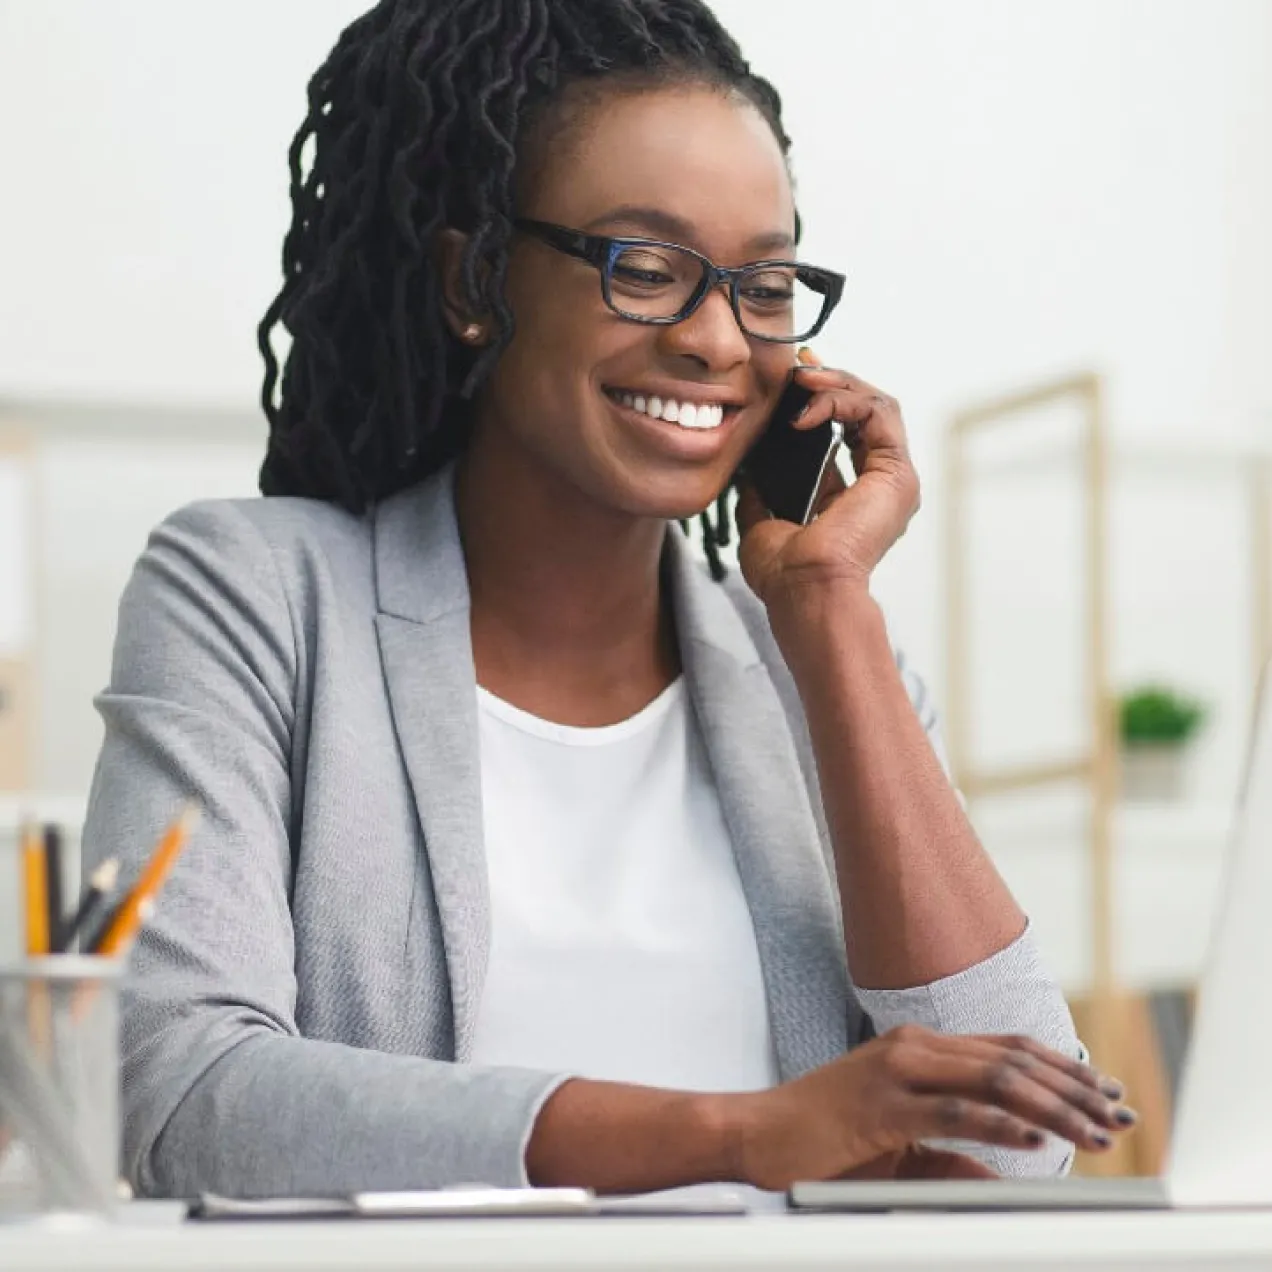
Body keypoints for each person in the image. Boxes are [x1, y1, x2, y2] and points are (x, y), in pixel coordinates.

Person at [82, 0, 1134, 1201]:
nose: (718, 339)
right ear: (472, 280)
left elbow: (1020, 1148)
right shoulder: (256, 598)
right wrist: (739, 1134)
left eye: (767, 283)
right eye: (647, 268)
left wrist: (831, 612)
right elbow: (175, 1088)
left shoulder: (817, 669)